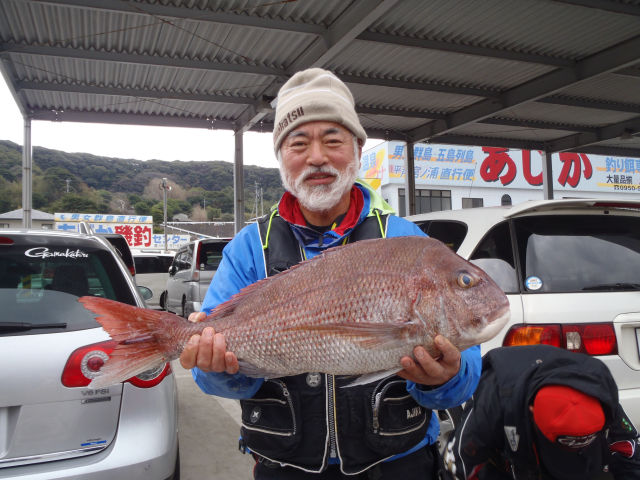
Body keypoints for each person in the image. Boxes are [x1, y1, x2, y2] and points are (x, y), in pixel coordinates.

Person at [179, 67, 482, 479]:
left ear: (357, 148)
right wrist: (219, 368)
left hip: (398, 466)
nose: (317, 157)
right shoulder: (249, 249)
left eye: (333, 139)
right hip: (286, 468)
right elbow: (211, 381)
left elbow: (465, 378)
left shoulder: (407, 242)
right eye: (298, 143)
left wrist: (445, 378)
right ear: (281, 157)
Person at [441, 344, 640, 479]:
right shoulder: (494, 399)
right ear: (532, 410)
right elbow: (457, 467)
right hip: (508, 453)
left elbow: (630, 456)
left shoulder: (601, 398)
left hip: (585, 462)